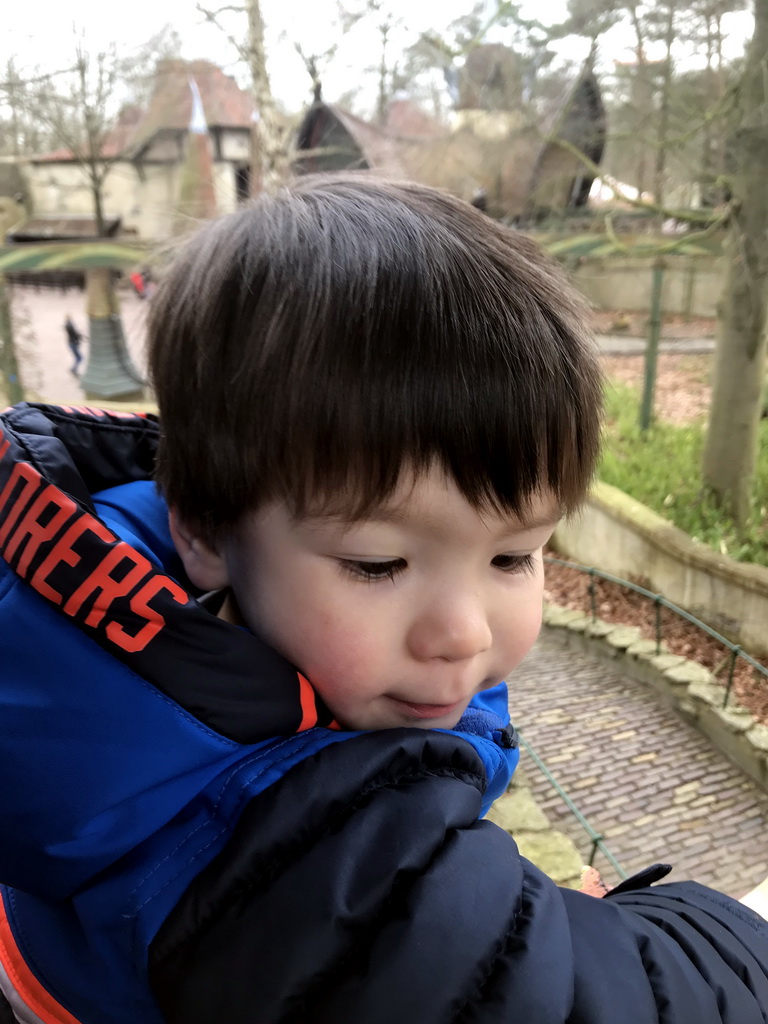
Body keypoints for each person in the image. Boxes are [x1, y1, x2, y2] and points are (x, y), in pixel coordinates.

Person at [0, 176, 767, 1024]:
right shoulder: (262, 837)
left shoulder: (96, 622)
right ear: (208, 532)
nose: (463, 633)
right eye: (376, 563)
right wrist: (734, 935)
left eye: (514, 555)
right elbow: (532, 996)